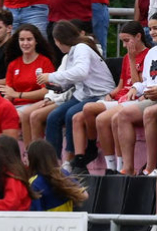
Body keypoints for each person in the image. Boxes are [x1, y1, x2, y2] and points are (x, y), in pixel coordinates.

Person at [76, 20, 153, 174]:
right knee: (85, 111)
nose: (124, 46)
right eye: (122, 41)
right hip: (121, 98)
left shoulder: (149, 55)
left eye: (126, 41)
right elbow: (121, 85)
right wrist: (110, 94)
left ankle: (117, 166)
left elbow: (138, 86)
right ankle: (107, 162)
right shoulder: (126, 57)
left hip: (134, 100)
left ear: (138, 36)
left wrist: (132, 59)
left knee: (104, 119)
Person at [40, 21, 115, 171]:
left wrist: (52, 76)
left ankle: (72, 158)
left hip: (99, 93)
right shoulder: (72, 53)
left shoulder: (81, 48)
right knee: (53, 117)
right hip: (84, 94)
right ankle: (52, 163)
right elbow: (75, 78)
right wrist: (58, 86)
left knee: (70, 114)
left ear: (58, 41)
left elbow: (81, 72)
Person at [0, 24, 57, 144]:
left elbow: (45, 91)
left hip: (37, 105)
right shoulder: (13, 64)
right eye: (22, 40)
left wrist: (19, 95)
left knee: (15, 117)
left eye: (29, 39)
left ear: (36, 41)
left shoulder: (44, 62)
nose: (25, 43)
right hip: (16, 106)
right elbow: (8, 94)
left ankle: (28, 152)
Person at [26, 140, 87, 212]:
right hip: (69, 222)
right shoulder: (63, 173)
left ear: (32, 159)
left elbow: (34, 214)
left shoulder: (34, 183)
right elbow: (85, 195)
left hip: (47, 222)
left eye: (26, 155)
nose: (24, 159)